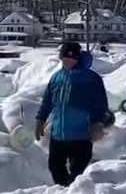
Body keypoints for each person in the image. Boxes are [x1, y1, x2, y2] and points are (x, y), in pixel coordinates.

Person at [36, 42, 110, 186]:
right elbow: (47, 101)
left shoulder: (91, 78)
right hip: (58, 134)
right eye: (65, 58)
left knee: (77, 175)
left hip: (81, 135)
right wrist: (40, 119)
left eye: (72, 58)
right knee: (55, 169)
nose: (68, 61)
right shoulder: (57, 77)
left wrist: (97, 123)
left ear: (78, 58)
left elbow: (100, 104)